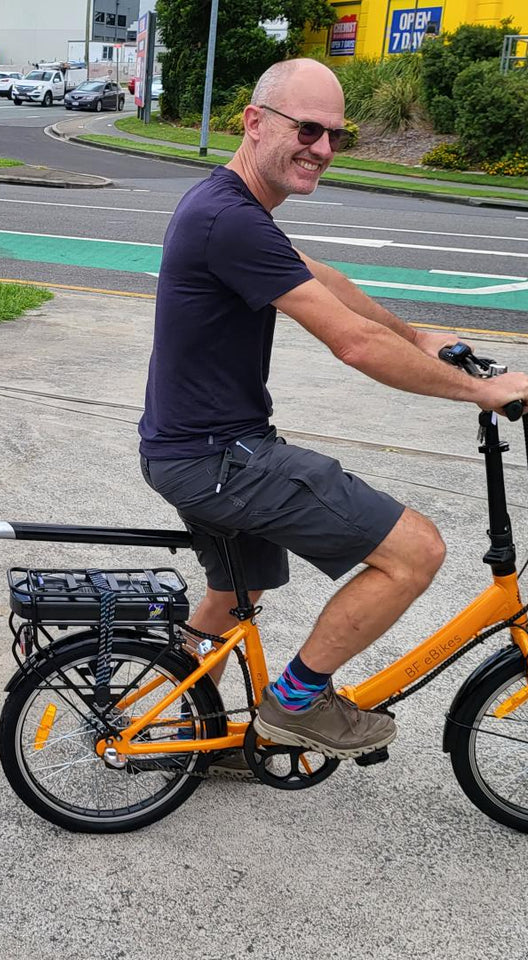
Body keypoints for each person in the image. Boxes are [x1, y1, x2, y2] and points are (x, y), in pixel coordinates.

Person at [138, 58, 528, 761]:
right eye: (308, 128)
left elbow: (328, 280)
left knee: (238, 588)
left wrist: (420, 338)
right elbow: (350, 342)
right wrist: (482, 390)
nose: (322, 148)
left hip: (194, 449)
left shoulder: (230, 208)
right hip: (217, 456)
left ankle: (179, 729)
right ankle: (294, 707)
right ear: (255, 123)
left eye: (336, 136)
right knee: (416, 552)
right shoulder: (229, 218)